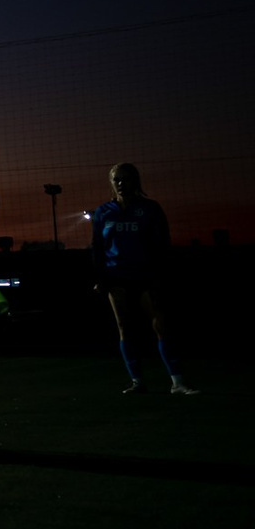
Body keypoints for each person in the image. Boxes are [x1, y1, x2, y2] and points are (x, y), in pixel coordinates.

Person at [91, 163, 190, 394]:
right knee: (124, 327)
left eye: (126, 179)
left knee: (160, 324)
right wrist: (101, 277)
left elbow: (162, 243)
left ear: (136, 181)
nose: (121, 183)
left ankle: (177, 381)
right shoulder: (103, 212)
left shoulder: (150, 209)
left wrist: (159, 275)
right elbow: (97, 247)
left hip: (145, 276)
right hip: (116, 277)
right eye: (117, 180)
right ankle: (137, 381)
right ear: (111, 183)